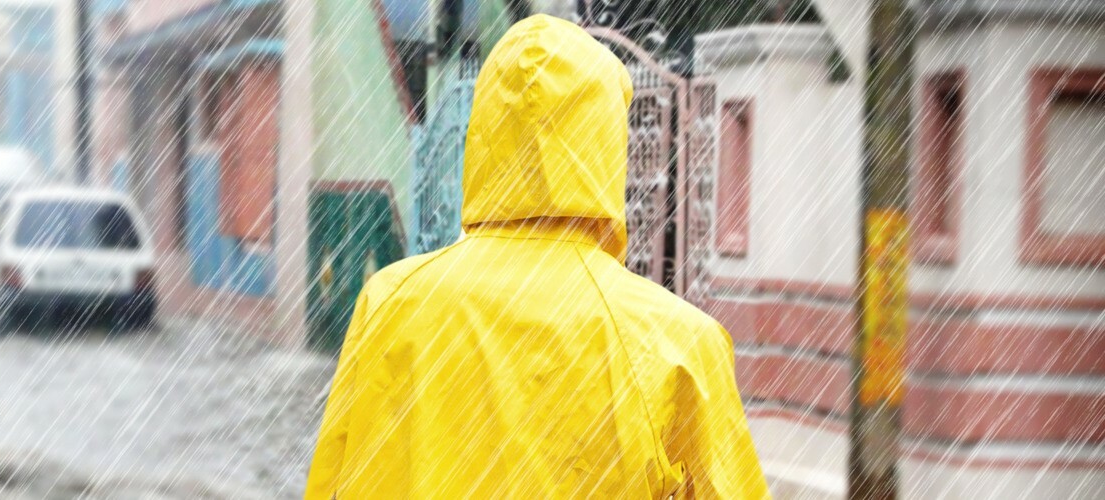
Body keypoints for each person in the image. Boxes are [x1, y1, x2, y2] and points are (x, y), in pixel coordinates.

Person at [303, 14, 770, 499]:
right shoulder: (680, 344)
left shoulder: (390, 303)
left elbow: (333, 478)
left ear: (484, 131)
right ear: (606, 139)